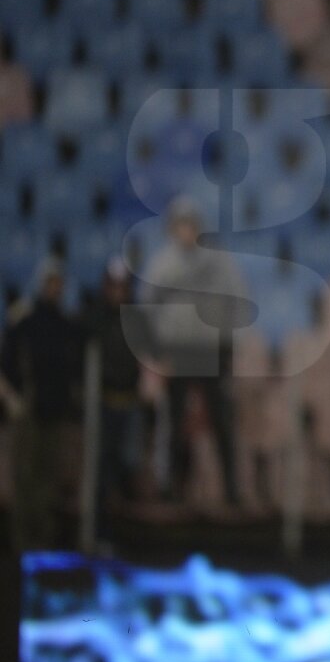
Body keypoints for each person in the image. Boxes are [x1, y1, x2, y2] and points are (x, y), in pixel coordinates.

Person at [140, 196, 249, 508]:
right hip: (177, 352)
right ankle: (170, 487)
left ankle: (231, 489)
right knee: (173, 423)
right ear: (172, 228)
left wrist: (227, 345)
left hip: (211, 350)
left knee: (221, 421)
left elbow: (237, 300)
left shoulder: (219, 261)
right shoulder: (162, 262)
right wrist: (158, 350)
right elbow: (148, 308)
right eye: (181, 225)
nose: (187, 231)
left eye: (192, 224)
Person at [1, 258, 84, 550]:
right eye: (49, 282)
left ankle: (43, 540)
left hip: (54, 410)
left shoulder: (64, 324)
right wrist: (12, 400)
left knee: (48, 479)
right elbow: (8, 365)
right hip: (28, 410)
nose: (54, 288)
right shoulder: (24, 320)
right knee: (26, 476)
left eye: (58, 283)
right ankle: (21, 541)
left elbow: (72, 369)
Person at [83, 257, 158, 549]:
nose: (118, 292)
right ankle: (101, 532)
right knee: (102, 470)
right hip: (102, 404)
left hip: (130, 405)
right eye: (113, 286)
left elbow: (153, 355)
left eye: (123, 286)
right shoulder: (94, 317)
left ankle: (129, 535)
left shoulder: (137, 319)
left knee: (129, 467)